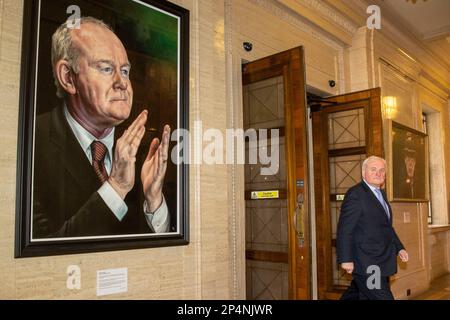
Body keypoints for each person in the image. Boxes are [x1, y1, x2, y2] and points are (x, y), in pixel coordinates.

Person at [32, 17, 171, 238]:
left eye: (125, 71)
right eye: (106, 69)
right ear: (68, 77)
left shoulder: (146, 151)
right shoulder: (31, 143)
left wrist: (154, 200)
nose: (122, 83)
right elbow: (44, 253)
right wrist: (115, 187)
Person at [336, 156, 409, 300]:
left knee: (359, 294)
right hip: (368, 263)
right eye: (373, 169)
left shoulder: (380, 194)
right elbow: (345, 229)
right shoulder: (356, 194)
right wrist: (346, 259)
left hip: (381, 259)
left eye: (382, 170)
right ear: (364, 173)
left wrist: (399, 247)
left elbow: (386, 227)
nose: (378, 173)